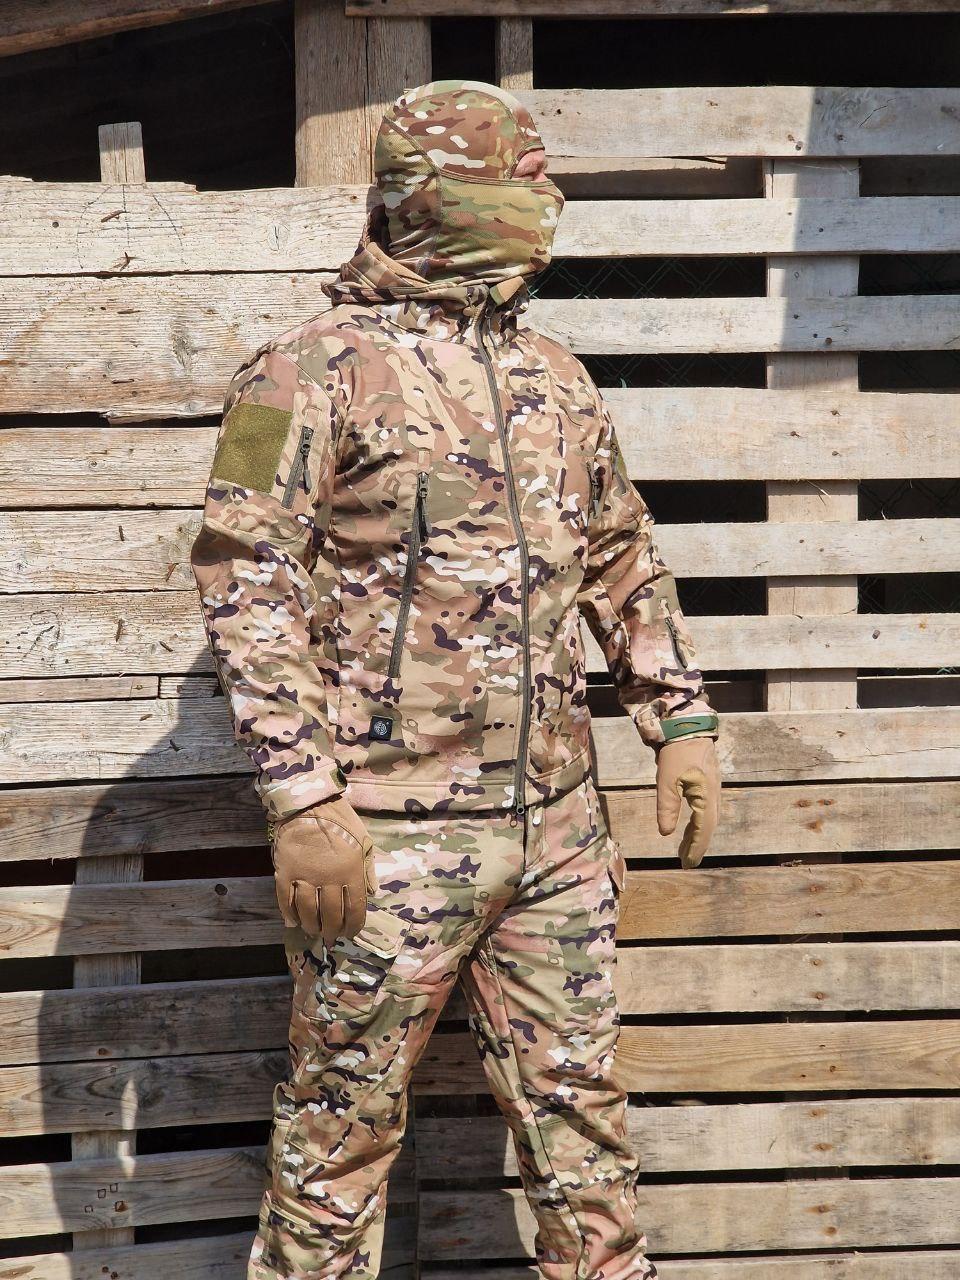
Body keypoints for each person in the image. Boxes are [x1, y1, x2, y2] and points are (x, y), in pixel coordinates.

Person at [191, 77, 721, 1280]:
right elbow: (238, 568)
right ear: (432, 200)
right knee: (338, 1134)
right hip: (387, 840)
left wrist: (678, 716)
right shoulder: (296, 374)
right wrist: (301, 796)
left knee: (584, 1130)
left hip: (557, 829)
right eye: (516, 184)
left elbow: (619, 552)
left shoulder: (558, 378)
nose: (544, 205)